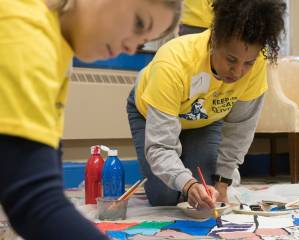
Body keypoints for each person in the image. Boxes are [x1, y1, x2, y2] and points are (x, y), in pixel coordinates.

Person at [0, 0, 181, 239]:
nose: (130, 48)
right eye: (138, 23)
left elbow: (44, 176)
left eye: (141, 43)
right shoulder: (27, 38)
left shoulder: (56, 45)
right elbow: (35, 203)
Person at [127, 0, 286, 209]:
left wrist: (222, 184)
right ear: (214, 40)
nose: (238, 72)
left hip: (204, 119)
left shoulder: (257, 67)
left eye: (248, 63)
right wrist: (188, 184)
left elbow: (239, 134)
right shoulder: (172, 62)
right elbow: (161, 146)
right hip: (147, 111)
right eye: (231, 59)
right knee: (166, 198)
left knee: (207, 194)